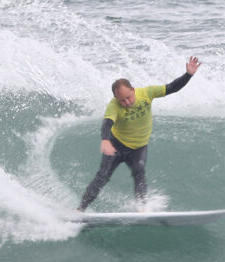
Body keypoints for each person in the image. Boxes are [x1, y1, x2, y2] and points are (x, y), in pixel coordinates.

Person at [77, 56, 202, 212]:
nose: (127, 103)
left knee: (139, 171)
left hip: (138, 147)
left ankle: (142, 207)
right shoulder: (114, 106)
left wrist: (188, 75)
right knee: (102, 176)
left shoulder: (147, 93)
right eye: (122, 100)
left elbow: (171, 87)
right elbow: (107, 123)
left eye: (129, 97)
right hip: (116, 145)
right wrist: (105, 140)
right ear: (116, 98)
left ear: (133, 90)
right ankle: (80, 209)